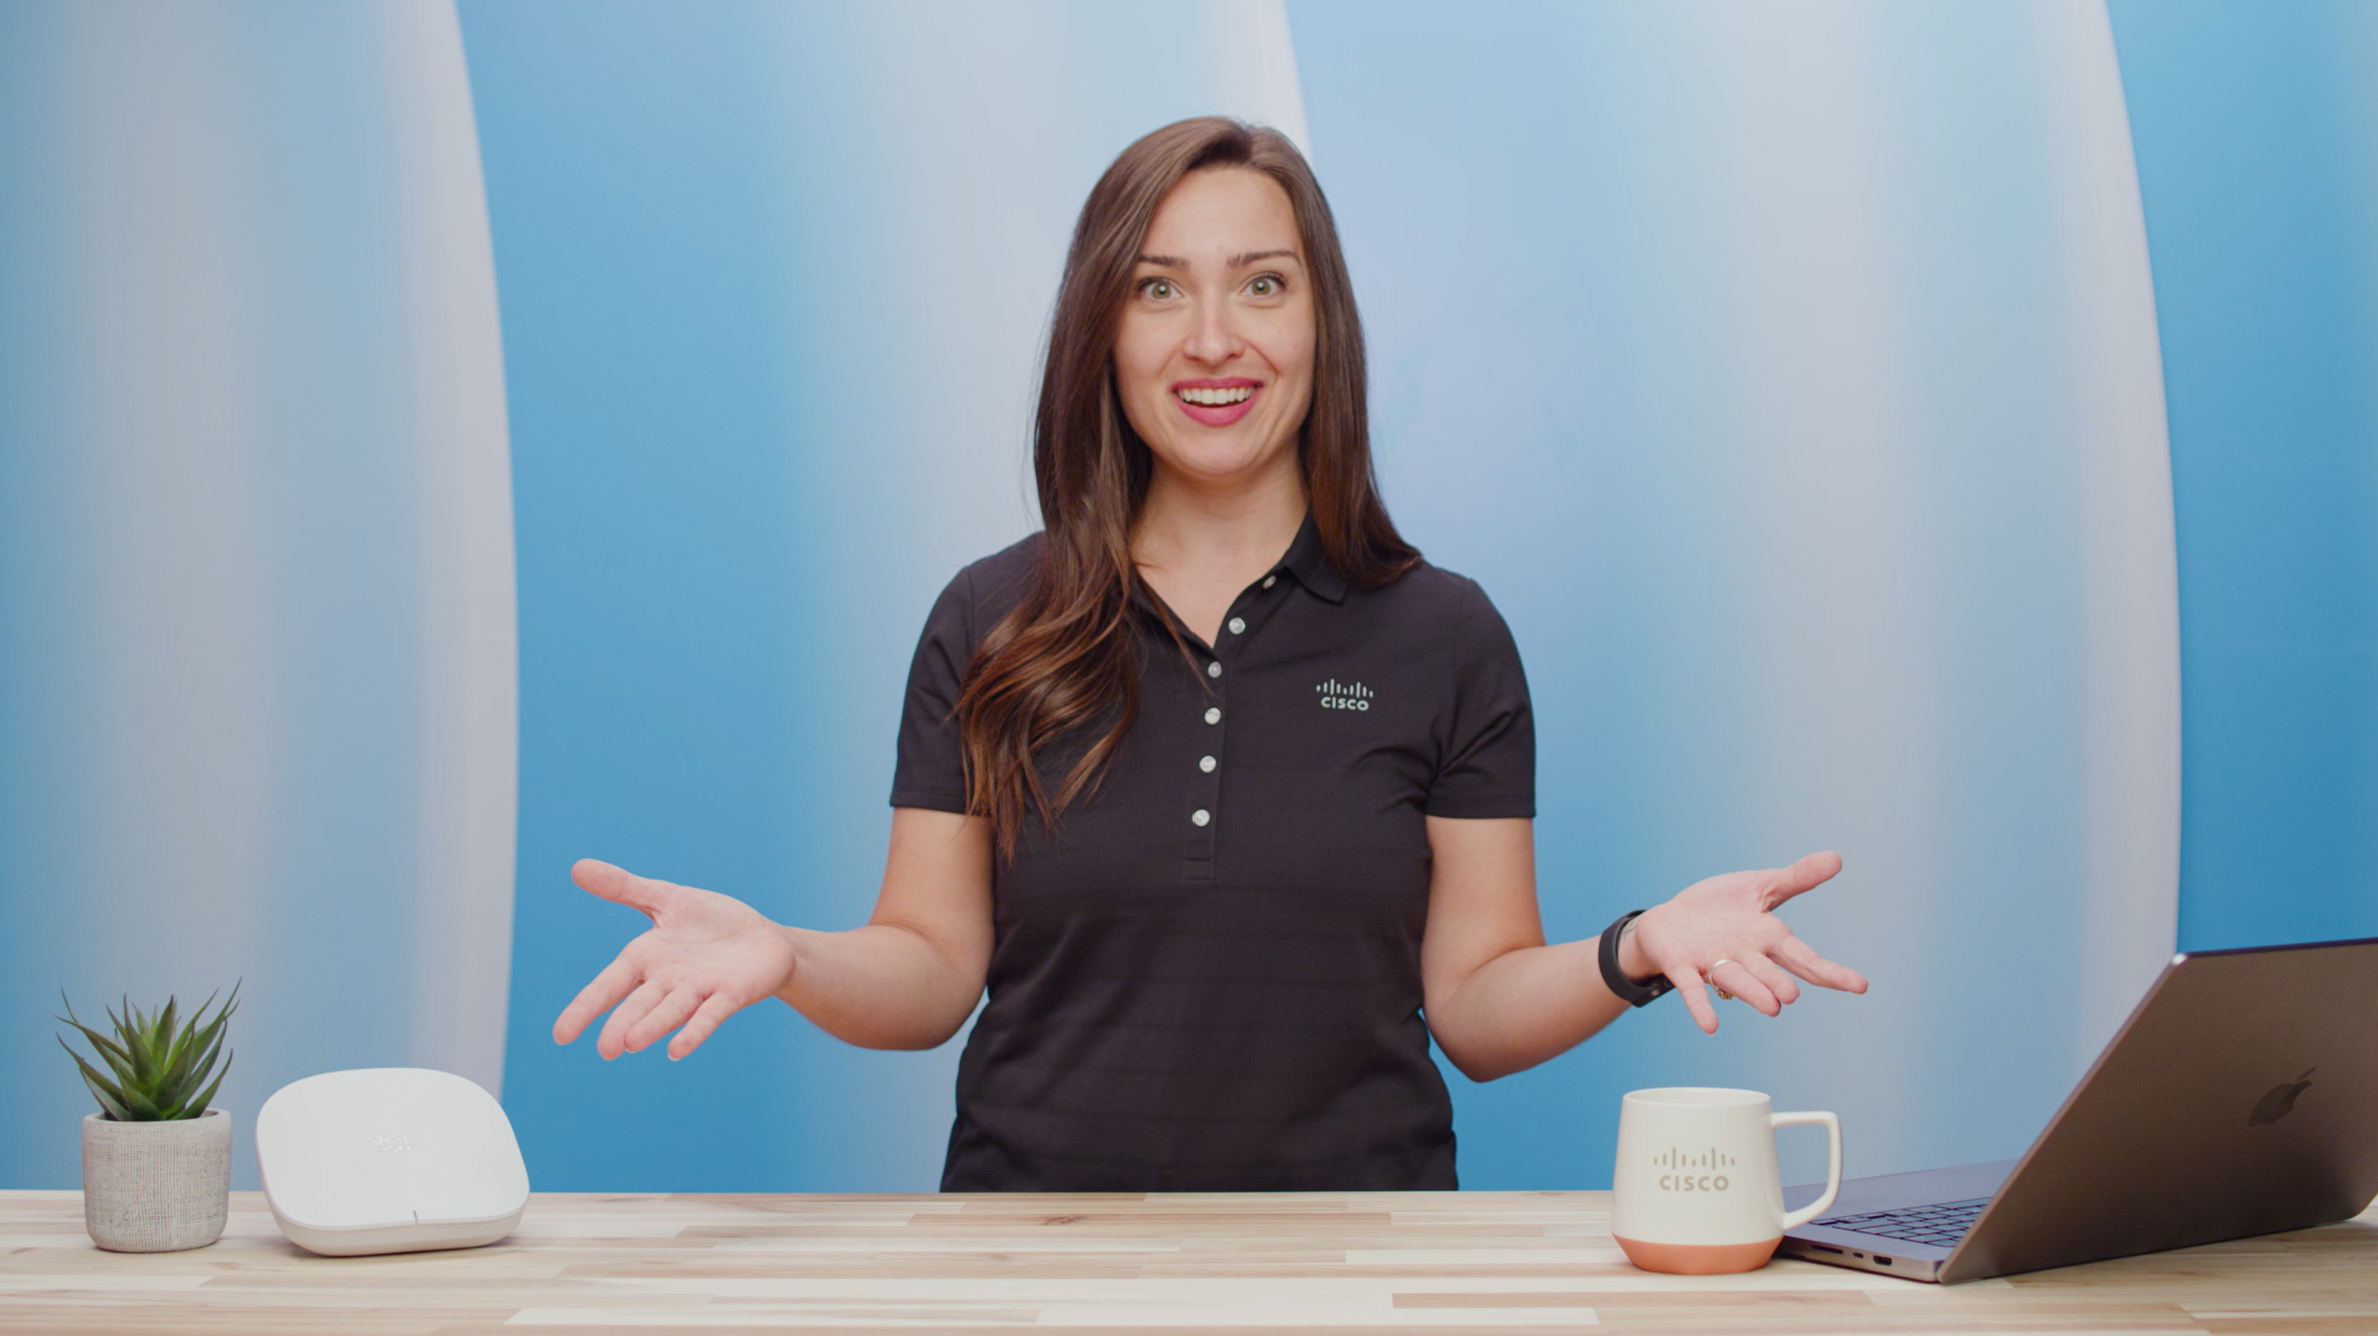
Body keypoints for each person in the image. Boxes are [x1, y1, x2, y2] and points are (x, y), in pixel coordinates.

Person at [553, 117, 1868, 1192]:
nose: (1213, 340)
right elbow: (929, 967)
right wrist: (787, 954)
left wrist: (1633, 946)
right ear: (1102, 333)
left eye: (1261, 284)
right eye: (1156, 289)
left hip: (1361, 1265)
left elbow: (1471, 1006)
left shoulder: (1443, 634)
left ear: (1318, 325)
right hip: (1031, 1263)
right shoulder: (987, 618)